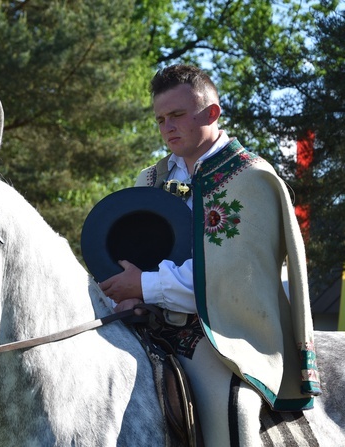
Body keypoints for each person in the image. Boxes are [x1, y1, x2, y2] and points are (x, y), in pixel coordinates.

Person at [98, 64, 321, 446]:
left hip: (223, 334)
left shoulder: (252, 179)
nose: (167, 127)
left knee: (233, 404)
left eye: (178, 115)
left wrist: (145, 284)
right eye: (160, 119)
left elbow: (233, 283)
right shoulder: (149, 179)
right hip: (147, 323)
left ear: (212, 113)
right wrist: (125, 289)